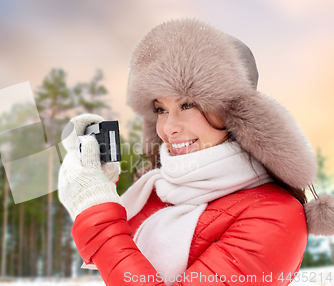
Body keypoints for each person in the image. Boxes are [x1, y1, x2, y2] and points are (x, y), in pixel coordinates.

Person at [58, 19, 334, 286]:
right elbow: (110, 261)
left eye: (187, 104)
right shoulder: (160, 188)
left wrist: (95, 210)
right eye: (160, 109)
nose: (168, 128)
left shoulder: (277, 217)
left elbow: (111, 249)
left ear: (233, 113)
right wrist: (100, 189)